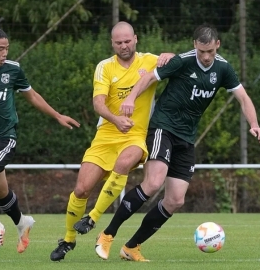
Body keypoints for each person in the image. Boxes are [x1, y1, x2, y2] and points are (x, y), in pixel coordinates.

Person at [94, 24, 260, 262]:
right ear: (195, 45)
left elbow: (243, 97)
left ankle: (131, 247)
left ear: (218, 45)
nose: (206, 57)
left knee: (175, 200)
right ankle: (107, 234)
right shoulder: (182, 61)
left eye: (210, 52)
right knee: (153, 183)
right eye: (201, 51)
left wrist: (254, 124)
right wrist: (131, 98)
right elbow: (149, 78)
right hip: (163, 128)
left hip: (187, 137)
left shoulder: (223, 68)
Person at [50, 21, 174, 262]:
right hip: (106, 134)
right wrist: (116, 120)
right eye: (118, 42)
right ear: (112, 43)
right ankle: (68, 240)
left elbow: (180, 62)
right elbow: (98, 103)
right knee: (81, 189)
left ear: (136, 39)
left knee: (126, 160)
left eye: (127, 41)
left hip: (136, 135)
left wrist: (170, 55)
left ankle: (94, 217)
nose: (124, 46)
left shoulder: (149, 60)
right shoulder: (104, 67)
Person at [0, 26, 80, 252]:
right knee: (1, 193)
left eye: (7, 48)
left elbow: (32, 96)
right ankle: (22, 223)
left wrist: (57, 115)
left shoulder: (13, 70)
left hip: (4, 138)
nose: (5, 53)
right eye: (0, 48)